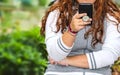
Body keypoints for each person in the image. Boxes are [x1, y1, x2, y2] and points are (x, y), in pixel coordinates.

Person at [40, 0, 120, 75]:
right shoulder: (57, 12)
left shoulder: (111, 15)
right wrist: (71, 31)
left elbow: (110, 55)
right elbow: (55, 55)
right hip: (59, 72)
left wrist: (67, 60)